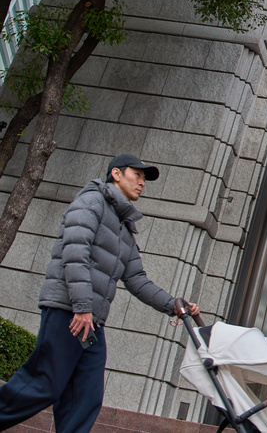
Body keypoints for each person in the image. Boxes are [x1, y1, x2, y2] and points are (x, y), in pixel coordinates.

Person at [0, 154, 200, 433]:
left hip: (91, 320)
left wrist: (175, 305)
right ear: (116, 174)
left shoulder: (124, 227)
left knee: (85, 397)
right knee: (44, 384)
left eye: (145, 178)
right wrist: (82, 307)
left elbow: (137, 280)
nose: (142, 182)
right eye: (138, 175)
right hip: (68, 311)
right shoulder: (91, 202)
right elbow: (74, 253)